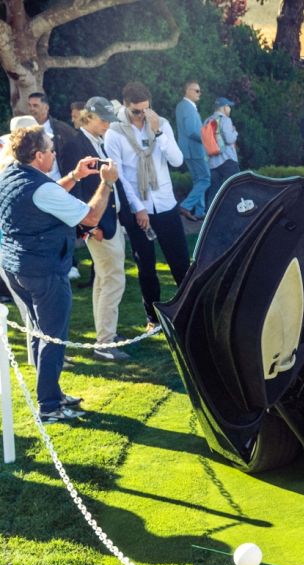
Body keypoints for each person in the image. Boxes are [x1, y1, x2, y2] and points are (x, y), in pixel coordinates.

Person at [0, 126, 118, 421]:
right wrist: (106, 183)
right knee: (53, 337)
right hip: (43, 270)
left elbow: (46, 197)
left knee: (38, 332)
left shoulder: (9, 174)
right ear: (38, 155)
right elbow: (90, 217)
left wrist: (75, 176)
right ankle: (50, 406)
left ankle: (50, 393)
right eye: (50, 150)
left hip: (15, 267)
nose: (54, 154)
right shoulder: (42, 188)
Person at [104, 80, 189, 330]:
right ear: (125, 106)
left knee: (180, 262)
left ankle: (189, 310)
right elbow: (119, 176)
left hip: (165, 204)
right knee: (147, 267)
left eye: (145, 109)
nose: (141, 115)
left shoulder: (160, 124)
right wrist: (138, 208)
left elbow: (177, 160)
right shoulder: (114, 133)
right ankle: (152, 318)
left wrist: (158, 133)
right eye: (136, 111)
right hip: (138, 207)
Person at [61, 97, 128, 361]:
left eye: (110, 119)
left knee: (104, 279)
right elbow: (74, 191)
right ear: (87, 117)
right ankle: (105, 343)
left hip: (110, 221)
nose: (107, 124)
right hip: (98, 225)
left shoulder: (97, 141)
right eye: (103, 119)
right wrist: (88, 229)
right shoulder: (74, 145)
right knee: (113, 280)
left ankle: (106, 335)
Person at [175, 80, 209, 220]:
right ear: (187, 91)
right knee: (206, 179)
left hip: (188, 150)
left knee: (198, 180)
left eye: (200, 91)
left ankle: (200, 212)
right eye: (196, 90)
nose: (199, 93)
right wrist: (207, 139)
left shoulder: (181, 106)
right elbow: (191, 131)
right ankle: (186, 206)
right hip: (194, 150)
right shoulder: (188, 107)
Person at [27, 92, 77, 182]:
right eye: (29, 106)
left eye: (35, 106)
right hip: (34, 182)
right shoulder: (25, 131)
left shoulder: (62, 129)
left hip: (60, 182)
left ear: (46, 107)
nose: (31, 109)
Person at [204, 97, 239, 209]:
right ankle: (239, 211)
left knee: (214, 191)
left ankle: (210, 214)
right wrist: (235, 132)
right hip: (227, 160)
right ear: (223, 107)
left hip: (212, 163)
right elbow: (229, 139)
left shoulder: (207, 121)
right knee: (237, 186)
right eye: (228, 106)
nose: (230, 109)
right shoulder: (225, 120)